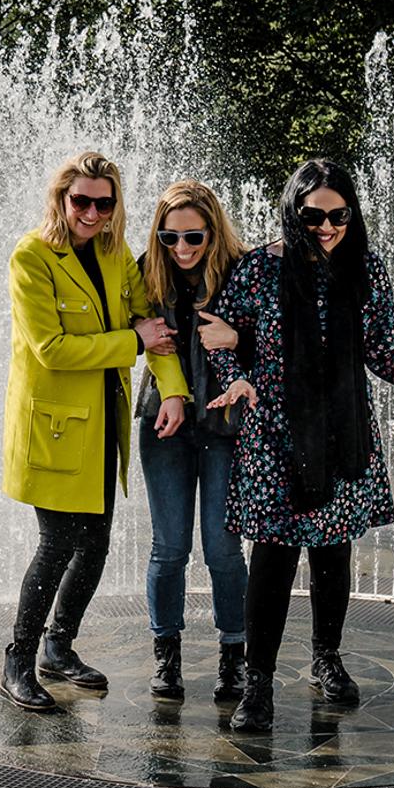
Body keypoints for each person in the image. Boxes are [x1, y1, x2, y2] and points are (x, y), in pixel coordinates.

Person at [206, 159, 394, 732]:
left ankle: (326, 659)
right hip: (273, 435)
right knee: (272, 559)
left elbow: (381, 352)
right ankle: (258, 684)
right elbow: (219, 333)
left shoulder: (364, 269)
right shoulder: (258, 270)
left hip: (343, 431)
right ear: (293, 210)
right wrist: (233, 375)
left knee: (333, 552)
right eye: (313, 215)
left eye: (338, 215)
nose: (326, 226)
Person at [1, 151, 186, 712]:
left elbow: (151, 322)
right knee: (57, 544)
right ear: (61, 198)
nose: (92, 212)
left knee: (97, 543)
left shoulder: (113, 253)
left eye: (104, 203)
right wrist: (132, 342)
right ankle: (18, 660)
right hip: (53, 429)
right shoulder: (32, 256)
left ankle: (59, 646)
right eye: (81, 200)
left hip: (102, 420)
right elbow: (52, 349)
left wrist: (173, 389)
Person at [136, 180, 254, 701]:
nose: (180, 249)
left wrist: (240, 338)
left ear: (214, 230)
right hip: (165, 422)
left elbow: (280, 335)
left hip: (227, 426)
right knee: (169, 547)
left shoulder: (245, 270)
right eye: (169, 237)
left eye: (193, 237)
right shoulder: (145, 270)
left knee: (224, 548)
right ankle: (167, 654)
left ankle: (235, 655)